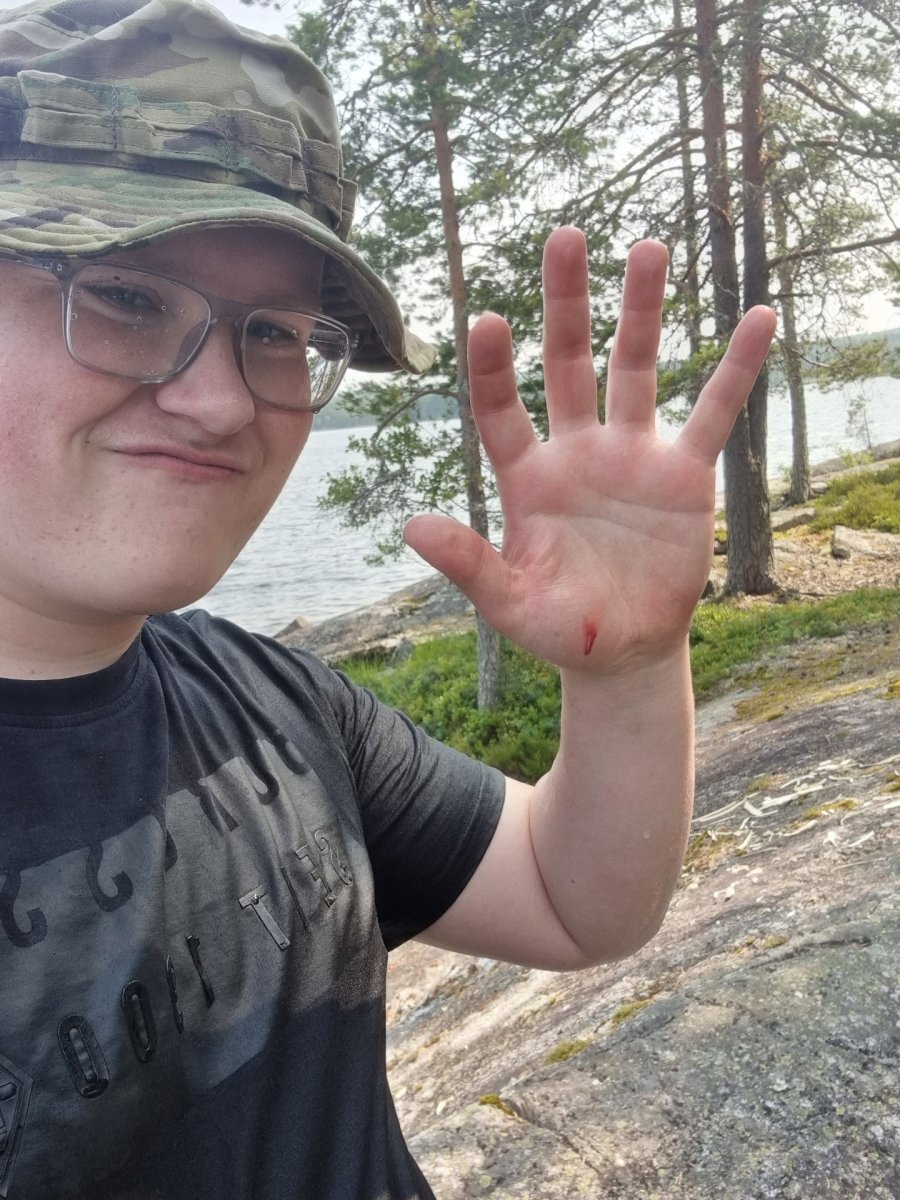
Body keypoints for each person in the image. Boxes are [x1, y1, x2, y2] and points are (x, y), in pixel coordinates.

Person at [0, 0, 776, 1196]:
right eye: (124, 295)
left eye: (275, 330)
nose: (223, 401)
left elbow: (575, 904)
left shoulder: (276, 705)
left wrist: (626, 672)